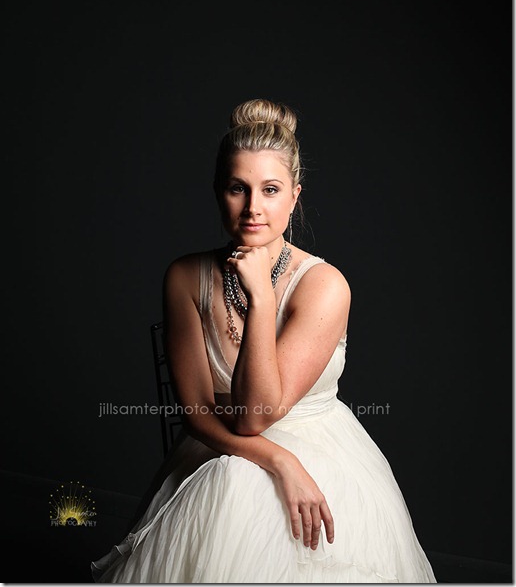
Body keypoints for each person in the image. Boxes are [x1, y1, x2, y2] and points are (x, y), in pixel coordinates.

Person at [91, 98, 436, 583]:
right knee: (232, 481)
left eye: (270, 190)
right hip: (219, 448)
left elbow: (257, 413)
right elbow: (197, 414)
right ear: (219, 192)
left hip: (321, 450)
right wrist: (278, 460)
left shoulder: (324, 286)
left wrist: (261, 298)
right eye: (238, 188)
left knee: (248, 496)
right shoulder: (185, 276)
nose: (253, 207)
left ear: (294, 197)